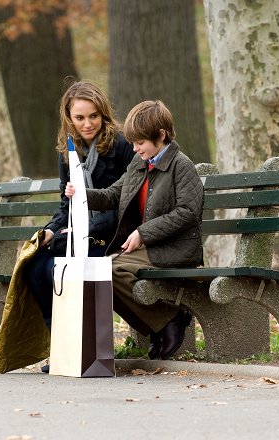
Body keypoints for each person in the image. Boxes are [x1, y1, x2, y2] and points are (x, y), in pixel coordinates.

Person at [66, 100, 204, 360]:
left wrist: (144, 232)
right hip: (150, 247)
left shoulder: (181, 166)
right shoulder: (140, 163)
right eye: (133, 142)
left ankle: (168, 320)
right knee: (99, 275)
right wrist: (82, 194)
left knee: (111, 271)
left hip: (175, 248)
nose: (134, 148)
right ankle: (158, 327)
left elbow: (188, 212)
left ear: (161, 135)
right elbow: (112, 195)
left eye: (140, 142)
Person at [24, 80, 135, 335]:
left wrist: (81, 232)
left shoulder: (121, 145)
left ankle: (81, 344)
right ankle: (61, 341)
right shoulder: (68, 152)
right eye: (80, 117)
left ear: (103, 113)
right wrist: (51, 231)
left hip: (113, 234)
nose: (88, 124)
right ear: (69, 118)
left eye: (94, 116)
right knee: (36, 265)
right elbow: (67, 205)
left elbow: (125, 201)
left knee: (61, 269)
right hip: (79, 235)